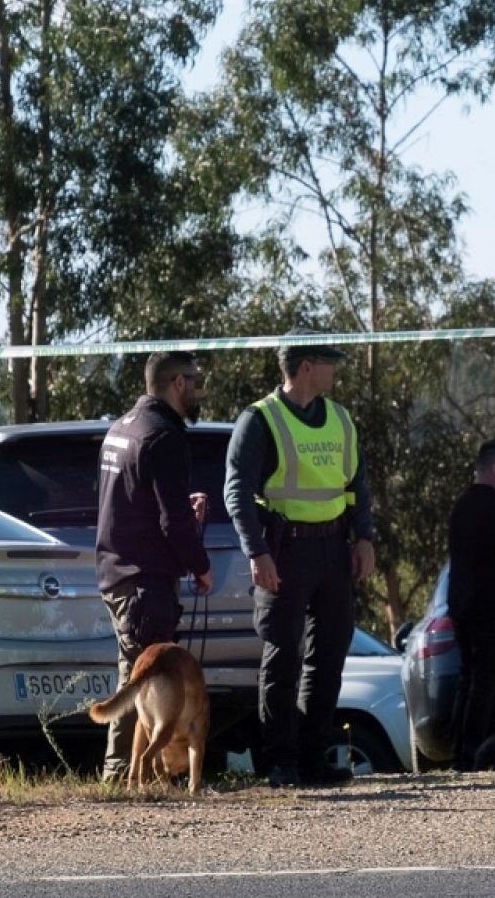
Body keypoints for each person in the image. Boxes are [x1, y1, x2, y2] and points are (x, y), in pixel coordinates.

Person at [224, 332, 378, 789]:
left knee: (328, 658)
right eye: (330, 361)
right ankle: (281, 762)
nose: (336, 370)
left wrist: (364, 538)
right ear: (308, 365)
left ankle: (314, 759)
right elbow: (237, 493)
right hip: (284, 551)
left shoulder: (341, 419)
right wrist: (258, 552)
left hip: (333, 550)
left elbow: (358, 485)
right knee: (282, 660)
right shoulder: (259, 420)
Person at [95, 351, 214, 784]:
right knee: (143, 677)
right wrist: (200, 565)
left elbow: (136, 502)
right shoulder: (163, 436)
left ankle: (132, 774)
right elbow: (171, 522)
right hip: (146, 580)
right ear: (176, 383)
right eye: (196, 382)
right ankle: (120, 775)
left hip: (115, 571)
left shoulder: (121, 429)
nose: (200, 391)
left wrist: (180, 509)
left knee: (134, 670)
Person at [446, 439, 495, 772]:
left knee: (467, 680)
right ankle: (471, 750)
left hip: (461, 606)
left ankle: (458, 752)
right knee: (485, 682)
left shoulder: (460, 505)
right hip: (492, 608)